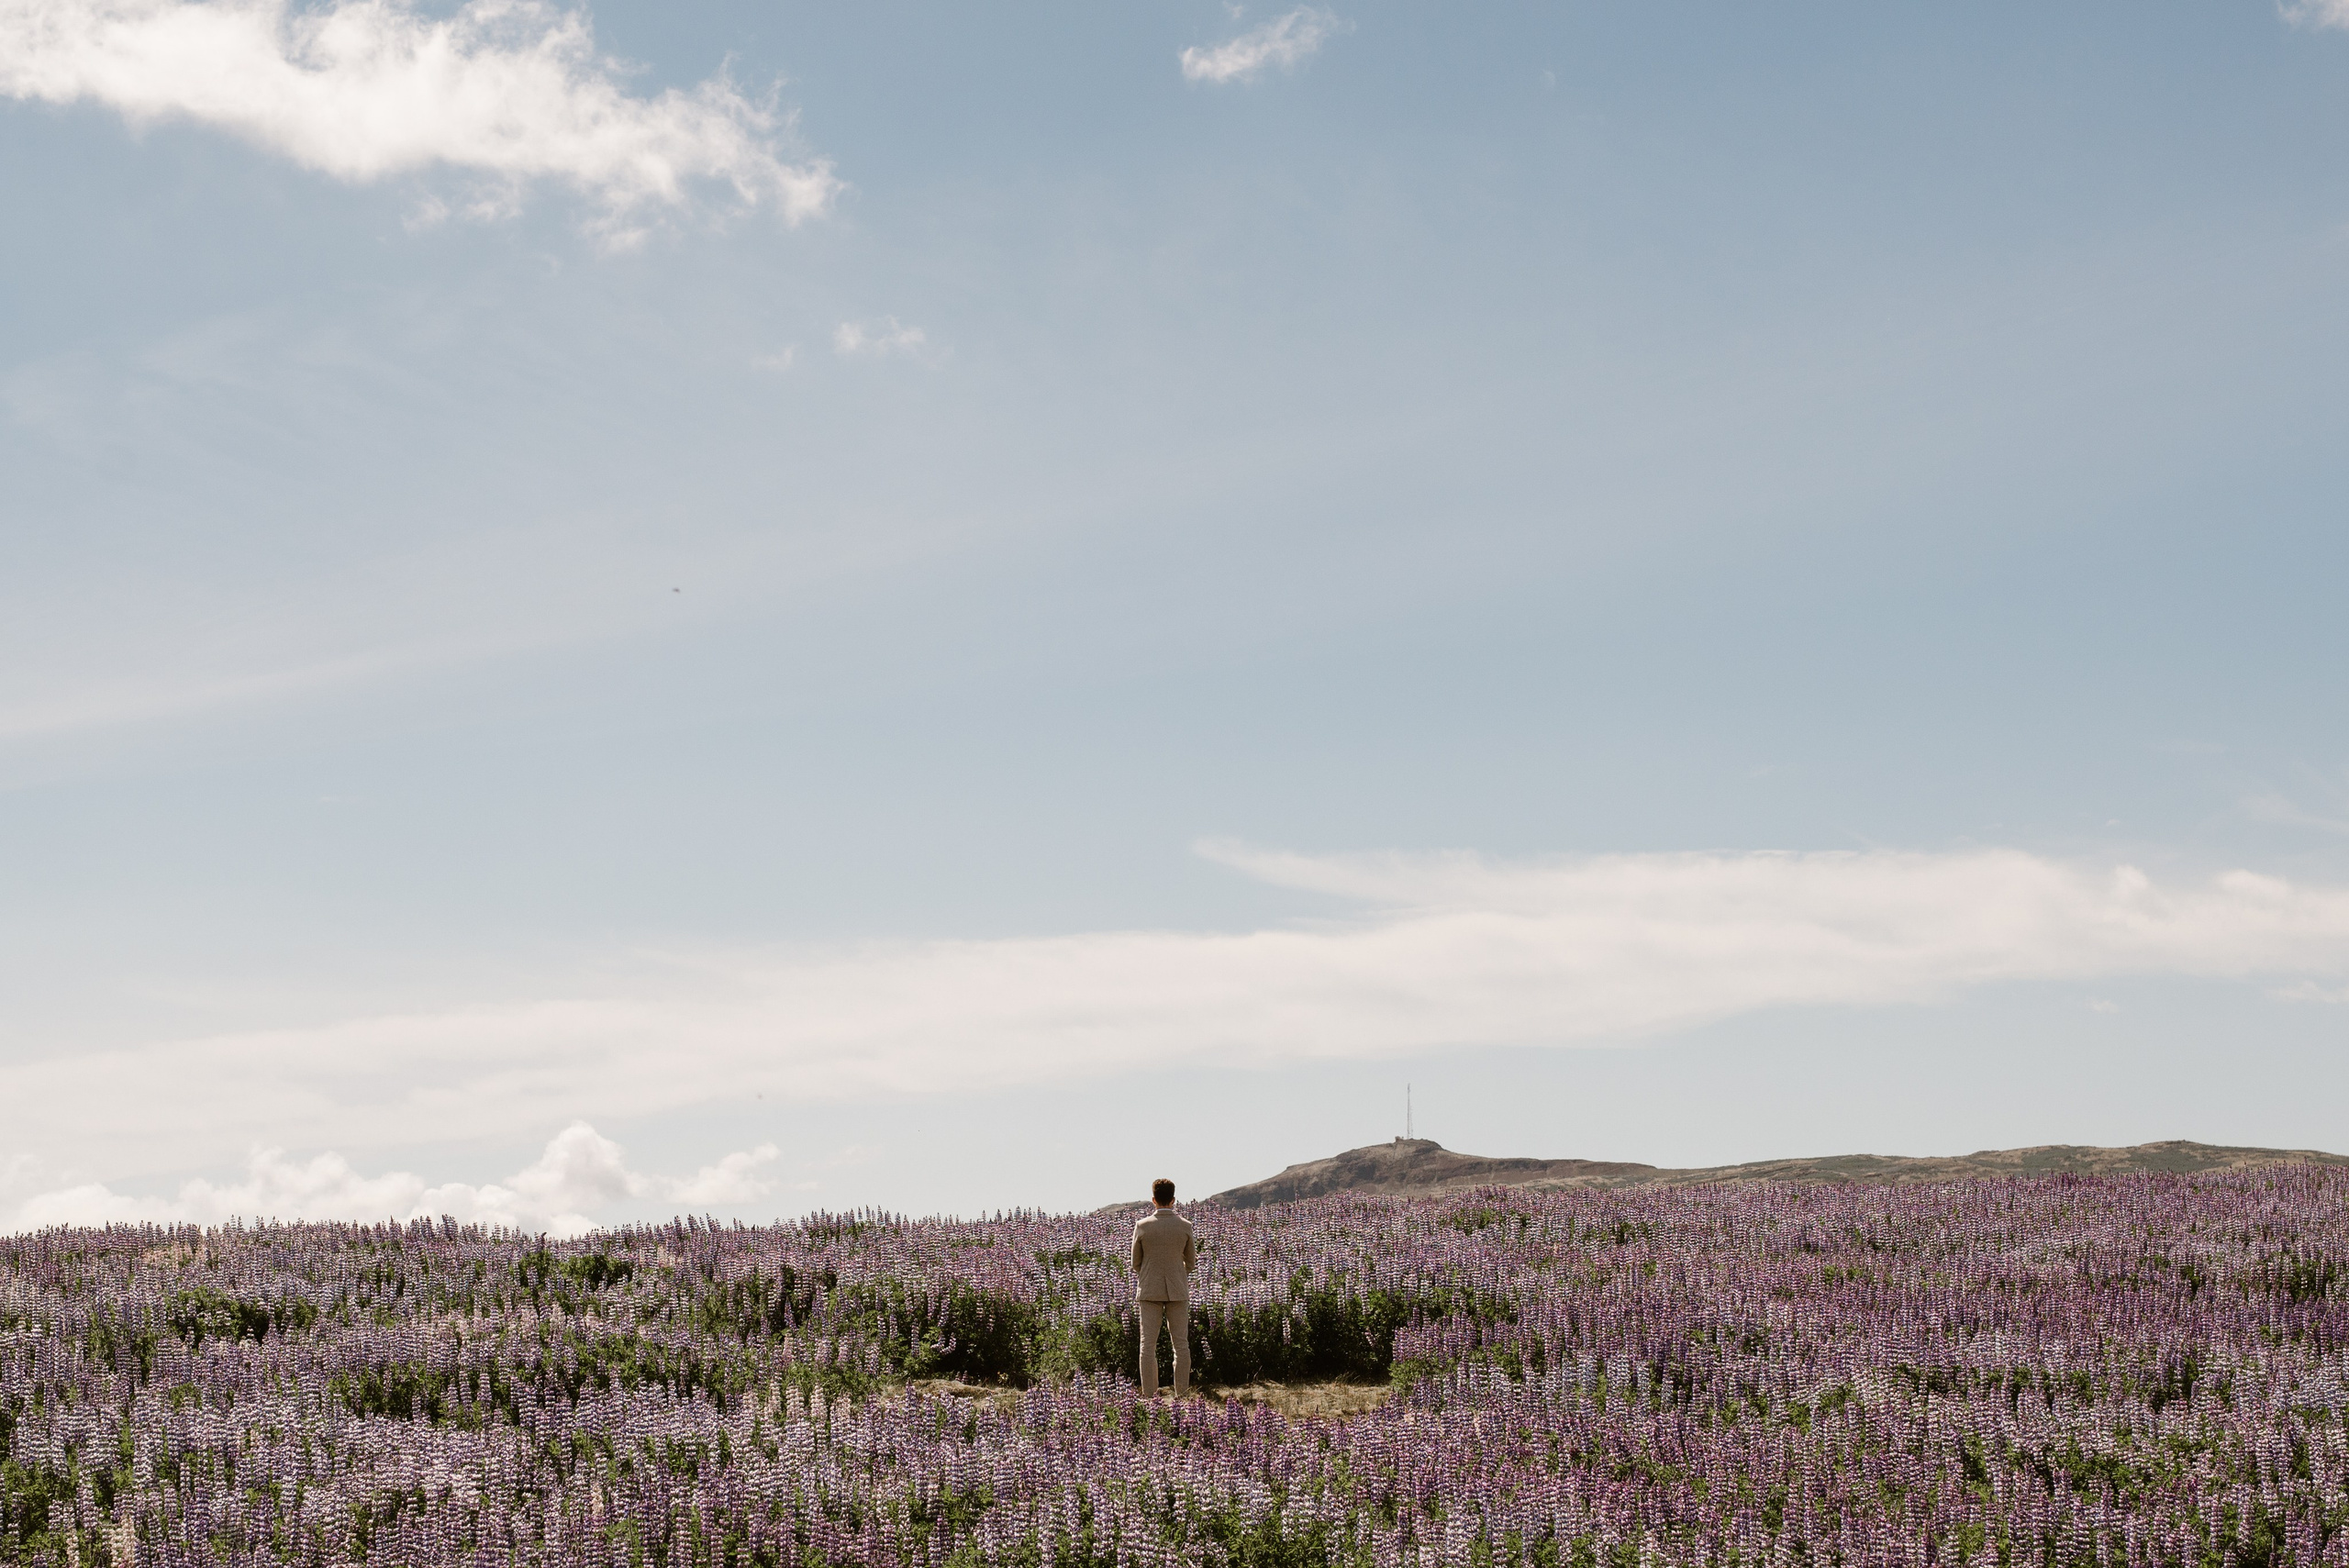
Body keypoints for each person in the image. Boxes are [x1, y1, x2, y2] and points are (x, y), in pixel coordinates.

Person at [1131, 1176, 1196, 1396]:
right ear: (1173, 1200)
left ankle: (1149, 1397)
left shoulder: (1142, 1226)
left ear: (1153, 1200)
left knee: (1147, 1346)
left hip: (1149, 1290)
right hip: (1178, 1290)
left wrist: (1151, 1275)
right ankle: (1183, 1396)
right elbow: (1192, 1263)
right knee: (1181, 1344)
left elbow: (1135, 1263)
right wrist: (1177, 1274)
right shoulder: (1185, 1226)